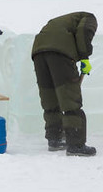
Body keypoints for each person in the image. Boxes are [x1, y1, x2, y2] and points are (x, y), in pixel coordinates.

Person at [31, 11, 98, 156]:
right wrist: (85, 57)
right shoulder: (89, 18)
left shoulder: (60, 21)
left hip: (38, 51)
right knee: (70, 99)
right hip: (60, 52)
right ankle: (76, 145)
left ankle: (54, 139)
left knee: (50, 98)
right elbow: (84, 32)